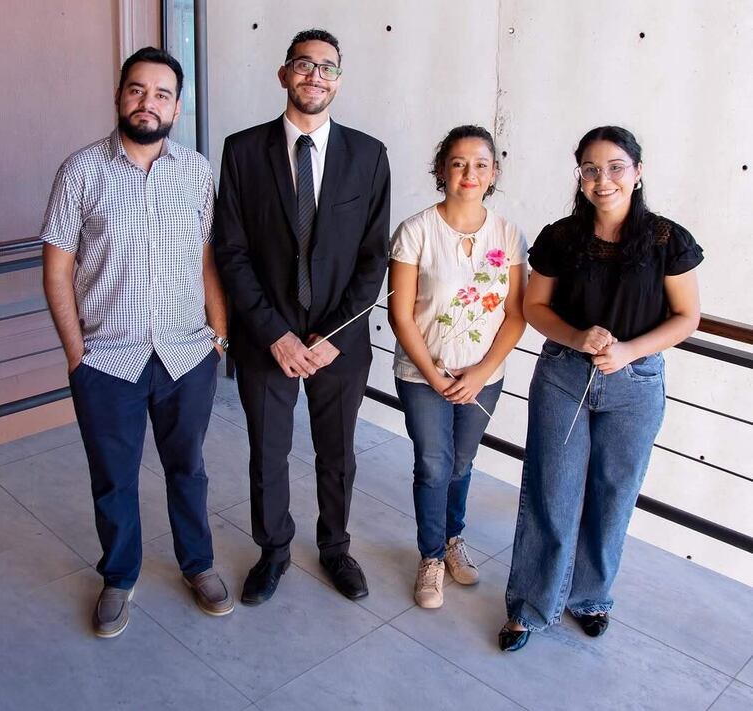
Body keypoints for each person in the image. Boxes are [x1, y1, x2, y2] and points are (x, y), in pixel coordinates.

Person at [41, 47, 234, 638]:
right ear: (119, 96)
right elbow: (57, 268)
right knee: (113, 477)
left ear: (177, 106)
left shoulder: (196, 172)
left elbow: (206, 258)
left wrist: (219, 335)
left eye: (161, 94)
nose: (148, 102)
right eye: (137, 90)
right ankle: (119, 576)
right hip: (106, 358)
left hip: (186, 353)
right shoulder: (80, 171)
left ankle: (197, 564)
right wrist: (76, 354)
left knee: (188, 469)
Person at [499, 126, 702, 651]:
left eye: (615, 167)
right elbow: (534, 306)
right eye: (590, 169)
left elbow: (687, 317)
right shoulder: (561, 238)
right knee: (551, 491)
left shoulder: (667, 240)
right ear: (580, 177)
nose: (602, 179)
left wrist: (629, 351)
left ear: (637, 173)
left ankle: (590, 597)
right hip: (564, 375)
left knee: (613, 496)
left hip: (636, 383)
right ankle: (530, 606)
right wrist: (577, 337)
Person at [213, 29, 391, 605]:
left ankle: (335, 547)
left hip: (340, 341)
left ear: (339, 80)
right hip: (266, 338)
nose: (316, 75)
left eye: (327, 67)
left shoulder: (368, 155)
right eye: (304, 64)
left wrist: (332, 334)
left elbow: (374, 258)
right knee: (268, 453)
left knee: (337, 453)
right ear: (284, 74)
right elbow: (231, 252)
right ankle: (273, 550)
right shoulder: (243, 151)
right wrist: (276, 335)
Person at [388, 125, 528, 609]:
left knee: (463, 462)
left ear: (494, 173)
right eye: (459, 163)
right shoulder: (415, 231)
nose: (470, 173)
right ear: (441, 170)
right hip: (423, 375)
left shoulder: (509, 235)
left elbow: (516, 315)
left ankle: (452, 539)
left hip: (483, 378)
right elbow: (400, 315)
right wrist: (436, 377)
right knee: (433, 463)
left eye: (481, 164)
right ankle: (430, 555)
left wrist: (481, 373)